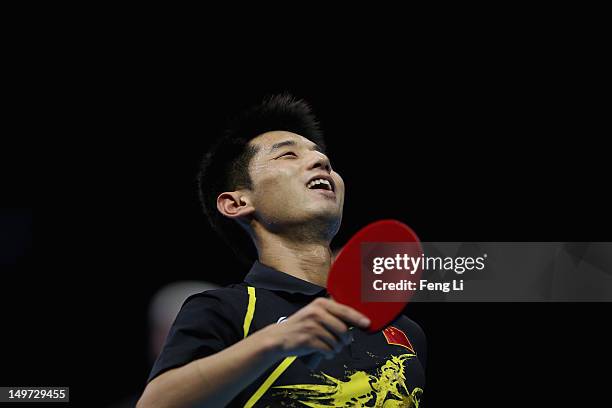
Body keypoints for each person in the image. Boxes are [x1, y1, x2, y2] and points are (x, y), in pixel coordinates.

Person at [137, 94, 426, 407]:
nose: (322, 162)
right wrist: (278, 339)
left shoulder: (404, 331)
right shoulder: (224, 310)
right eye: (288, 155)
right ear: (237, 203)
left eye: (321, 156)